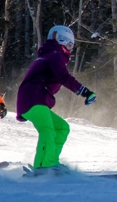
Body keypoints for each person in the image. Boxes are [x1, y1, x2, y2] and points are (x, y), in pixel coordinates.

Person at [16, 25, 96, 173]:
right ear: (60, 40)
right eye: (69, 45)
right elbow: (63, 77)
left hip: (34, 99)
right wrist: (84, 91)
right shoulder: (54, 54)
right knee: (47, 130)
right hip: (33, 98)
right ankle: (43, 166)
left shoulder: (49, 55)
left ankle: (51, 162)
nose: (70, 49)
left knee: (61, 127)